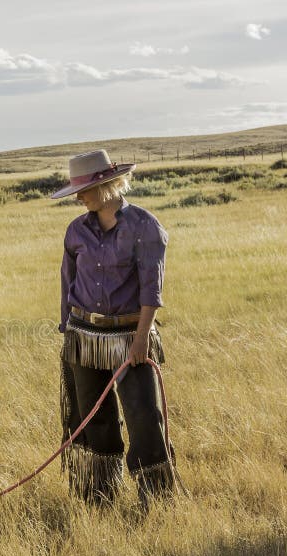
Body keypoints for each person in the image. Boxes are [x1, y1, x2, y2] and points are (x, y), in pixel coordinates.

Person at [51, 149, 178, 510]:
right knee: (92, 418)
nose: (78, 196)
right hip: (83, 336)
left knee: (144, 416)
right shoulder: (76, 230)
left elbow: (151, 292)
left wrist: (142, 339)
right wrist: (68, 335)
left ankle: (156, 499)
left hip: (129, 337)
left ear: (107, 186)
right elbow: (68, 283)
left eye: (84, 189)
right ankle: (98, 496)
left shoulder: (145, 227)